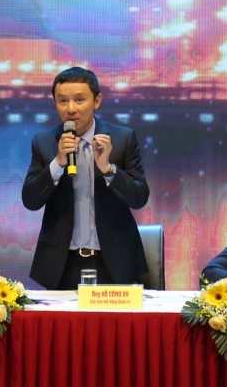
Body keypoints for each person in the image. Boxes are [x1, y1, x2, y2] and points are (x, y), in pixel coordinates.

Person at [22, 66, 150, 288]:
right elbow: (30, 200)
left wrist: (108, 169)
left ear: (96, 101)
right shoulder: (43, 142)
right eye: (63, 101)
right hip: (61, 263)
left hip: (113, 261)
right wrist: (57, 163)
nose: (71, 109)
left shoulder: (122, 139)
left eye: (79, 100)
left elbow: (139, 198)